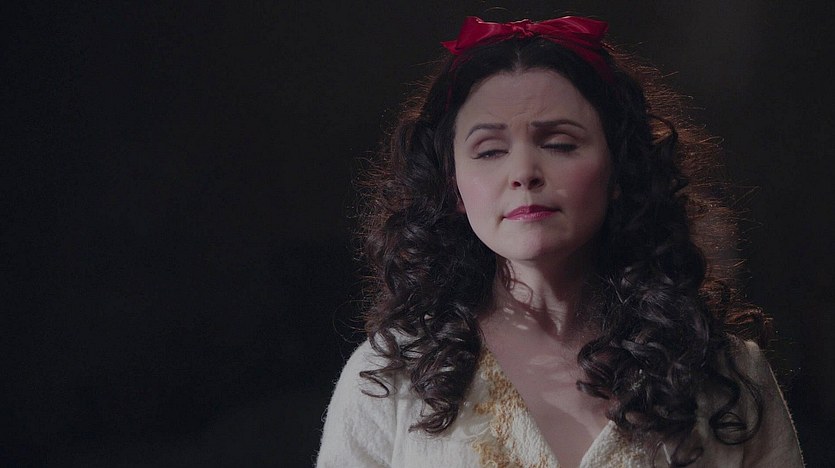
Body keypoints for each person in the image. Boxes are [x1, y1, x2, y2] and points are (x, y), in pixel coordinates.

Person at [316, 15, 804, 467]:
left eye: (559, 144)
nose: (524, 172)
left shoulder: (726, 374)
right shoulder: (392, 377)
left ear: (620, 169)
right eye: (489, 150)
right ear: (453, 186)